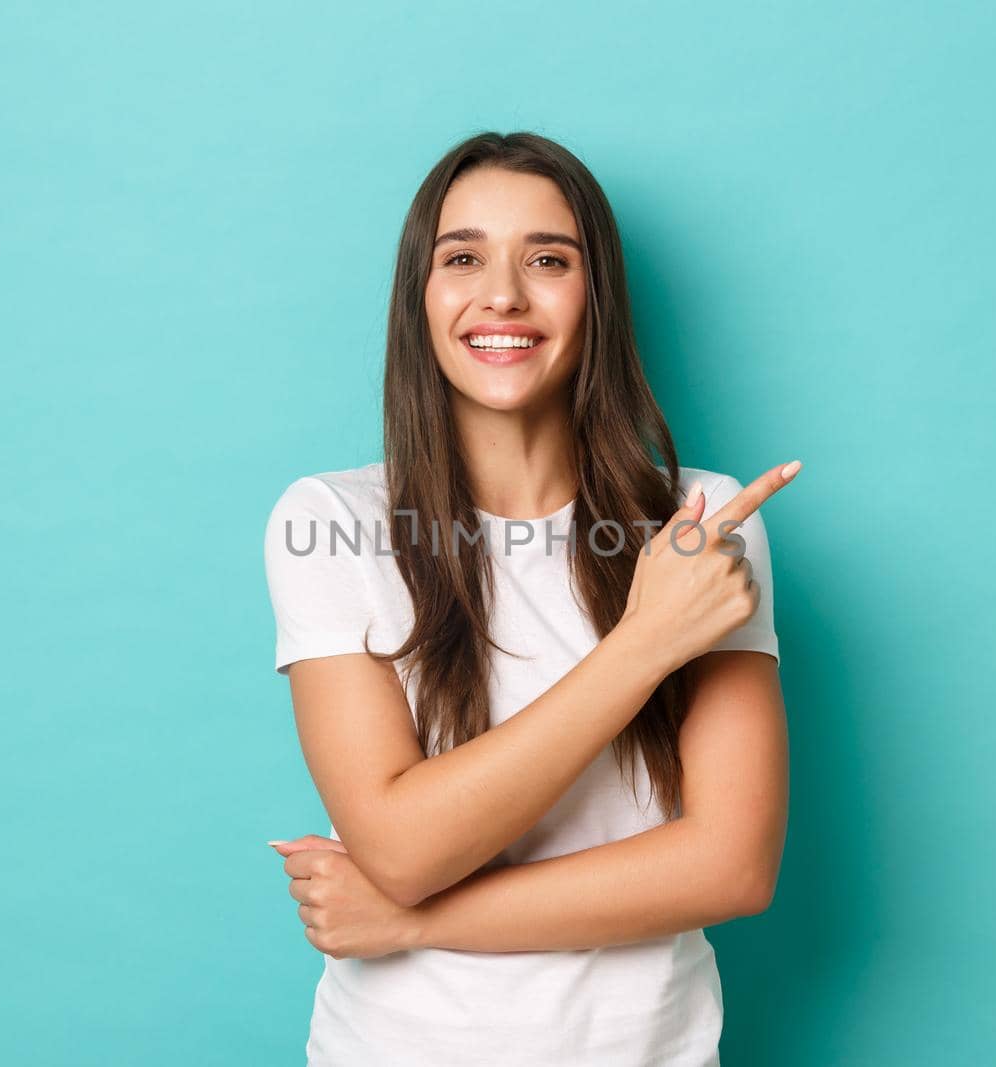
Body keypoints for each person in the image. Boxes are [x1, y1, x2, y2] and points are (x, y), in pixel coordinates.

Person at [262, 130, 801, 1066]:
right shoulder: (331, 521)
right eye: (462, 257)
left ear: (598, 296)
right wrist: (644, 642)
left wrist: (411, 923)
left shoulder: (701, 522)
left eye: (547, 259)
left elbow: (733, 863)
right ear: (419, 298)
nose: (502, 293)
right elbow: (399, 848)